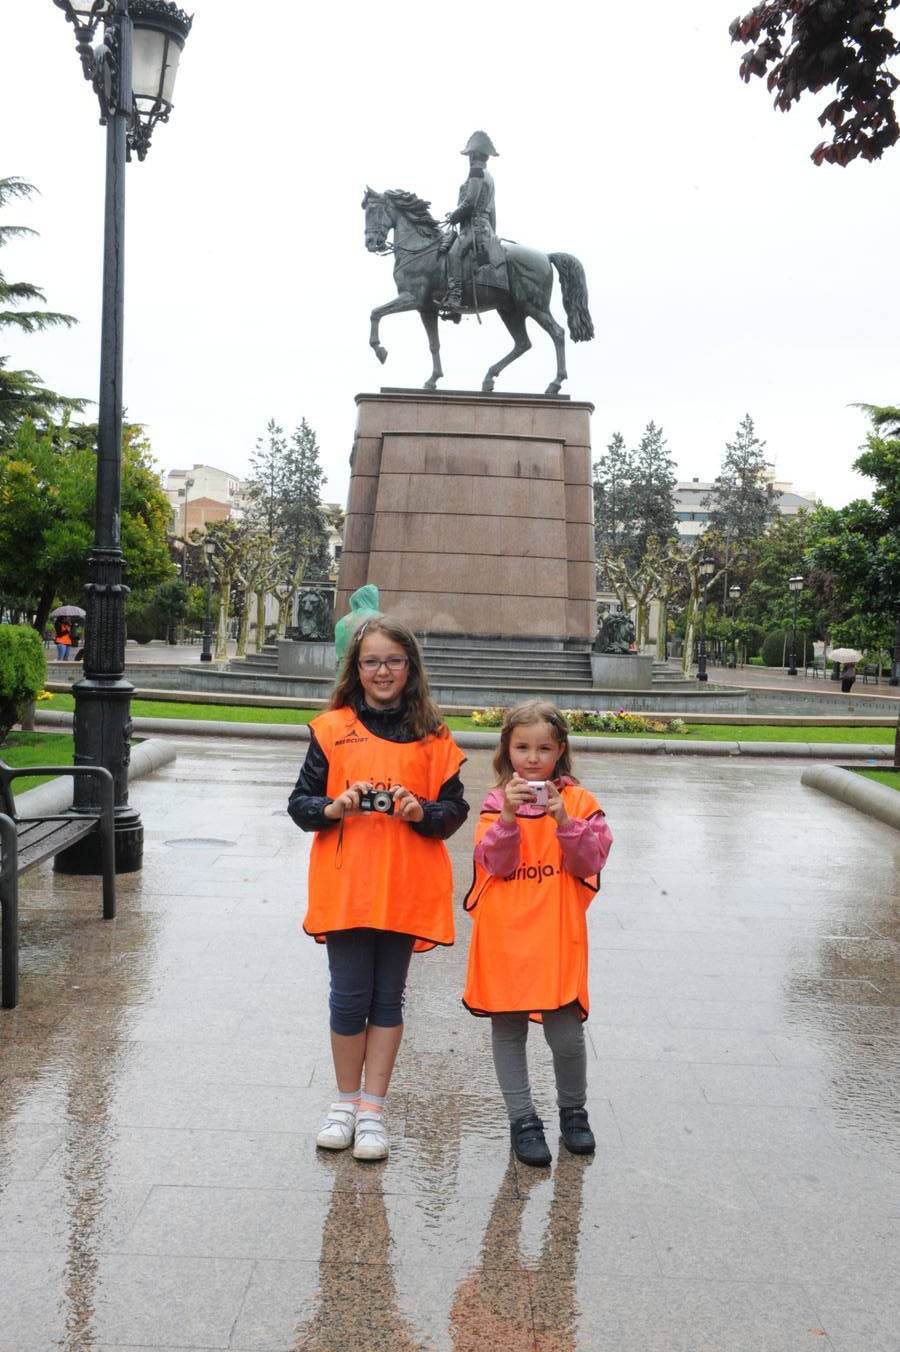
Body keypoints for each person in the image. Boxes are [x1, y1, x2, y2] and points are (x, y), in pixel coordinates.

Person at [288, 616, 468, 1161]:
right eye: (372, 661)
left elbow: (454, 811)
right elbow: (300, 806)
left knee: (388, 998)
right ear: (357, 668)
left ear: (409, 666)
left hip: (405, 885)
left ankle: (372, 1110)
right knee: (348, 997)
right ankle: (344, 1102)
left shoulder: (434, 735)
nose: (383, 670)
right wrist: (333, 806)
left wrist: (420, 811)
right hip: (347, 885)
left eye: (393, 660)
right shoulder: (331, 727)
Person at [462, 701, 613, 1167]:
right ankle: (523, 1120)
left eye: (544, 748)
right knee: (508, 1031)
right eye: (522, 747)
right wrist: (508, 817)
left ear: (560, 750)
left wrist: (563, 820)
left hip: (556, 934)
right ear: (507, 749)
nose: (532, 758)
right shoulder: (493, 803)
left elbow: (590, 862)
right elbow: (496, 864)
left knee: (566, 1036)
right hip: (505, 937)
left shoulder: (582, 802)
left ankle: (574, 1112)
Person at [435, 130, 500, 316]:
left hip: (474, 227)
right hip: (484, 227)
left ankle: (455, 297)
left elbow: (470, 202)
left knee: (454, 254)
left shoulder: (476, 172)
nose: (469, 158)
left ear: (474, 155)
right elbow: (493, 210)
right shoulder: (489, 176)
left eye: (470, 154)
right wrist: (493, 234)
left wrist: (454, 215)